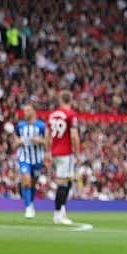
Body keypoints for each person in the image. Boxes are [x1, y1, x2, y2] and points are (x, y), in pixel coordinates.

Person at [47, 91, 80, 225]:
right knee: (64, 183)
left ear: (60, 100)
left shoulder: (52, 115)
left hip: (55, 152)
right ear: (70, 99)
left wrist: (47, 152)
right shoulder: (71, 114)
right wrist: (77, 153)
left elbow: (47, 135)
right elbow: (74, 135)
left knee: (68, 181)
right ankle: (57, 214)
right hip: (65, 152)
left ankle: (62, 211)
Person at [13, 104, 46, 219]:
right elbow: (15, 141)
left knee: (33, 183)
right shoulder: (20, 126)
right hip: (24, 158)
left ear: (33, 112)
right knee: (26, 181)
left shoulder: (41, 126)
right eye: (24, 111)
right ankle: (27, 207)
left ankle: (31, 203)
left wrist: (39, 140)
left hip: (37, 159)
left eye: (27, 111)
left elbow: (47, 142)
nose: (25, 113)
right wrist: (18, 142)